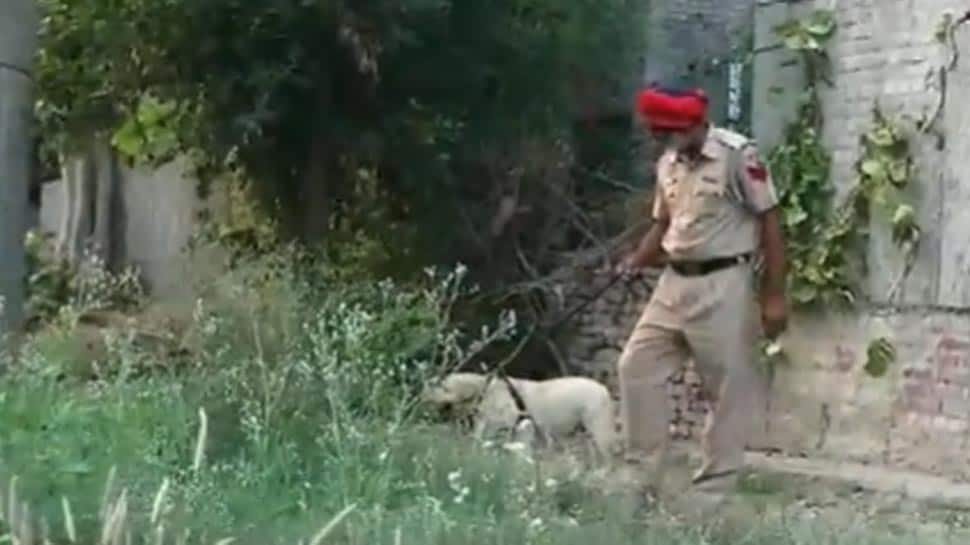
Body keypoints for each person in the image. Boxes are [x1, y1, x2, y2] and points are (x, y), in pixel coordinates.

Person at [614, 84, 788, 490]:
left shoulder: (737, 156)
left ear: (695, 125)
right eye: (659, 134)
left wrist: (774, 295)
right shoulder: (669, 163)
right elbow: (664, 223)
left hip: (724, 282)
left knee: (725, 389)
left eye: (671, 133)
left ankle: (713, 492)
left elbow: (771, 222)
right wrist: (635, 260)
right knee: (636, 367)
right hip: (673, 283)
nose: (666, 141)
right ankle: (641, 475)